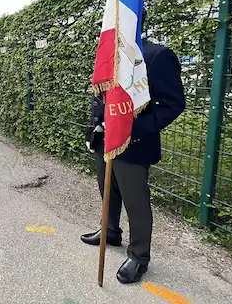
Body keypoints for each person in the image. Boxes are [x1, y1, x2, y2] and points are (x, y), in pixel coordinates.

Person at [83, 21, 186, 284]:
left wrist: (132, 127)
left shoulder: (156, 55)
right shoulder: (106, 54)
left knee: (135, 201)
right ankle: (111, 231)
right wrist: (96, 128)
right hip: (103, 139)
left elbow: (173, 104)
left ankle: (139, 255)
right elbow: (101, 96)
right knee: (107, 190)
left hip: (134, 142)